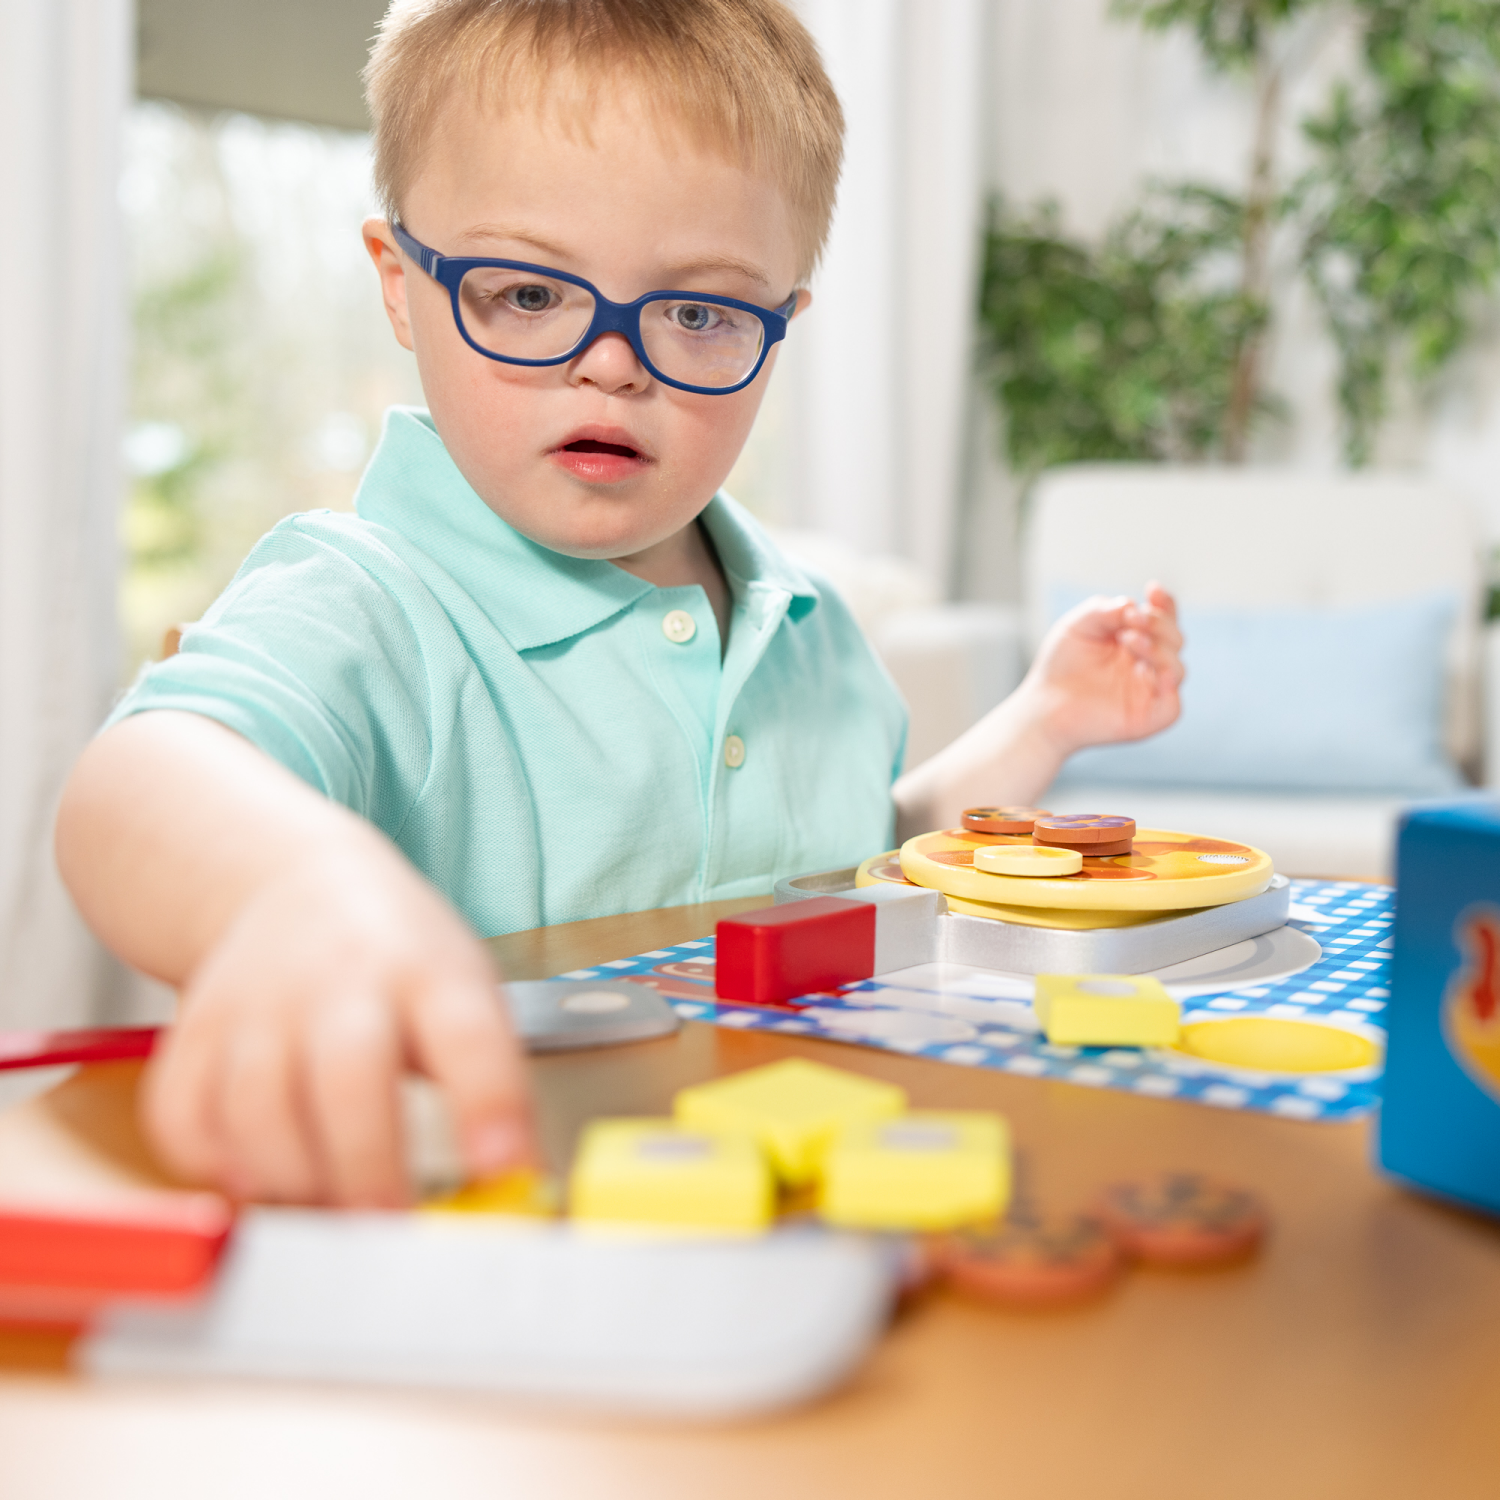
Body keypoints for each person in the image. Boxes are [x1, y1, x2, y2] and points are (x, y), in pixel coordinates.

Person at [55, 0, 1184, 1209]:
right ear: (401, 285)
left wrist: (1043, 722)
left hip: (793, 1197)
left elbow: (858, 861)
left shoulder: (807, 626)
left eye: (698, 311)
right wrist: (294, 890)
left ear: (780, 324)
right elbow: (139, 783)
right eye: (528, 295)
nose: (613, 361)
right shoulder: (367, 598)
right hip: (484, 1232)